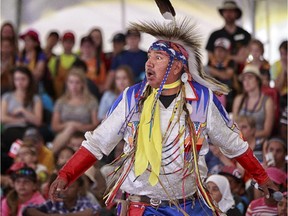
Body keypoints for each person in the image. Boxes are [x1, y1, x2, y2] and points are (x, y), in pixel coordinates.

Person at [49, 17, 278, 216]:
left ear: (177, 66)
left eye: (158, 57)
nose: (149, 62)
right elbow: (98, 143)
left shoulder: (202, 100)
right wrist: (67, 173)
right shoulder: (132, 97)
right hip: (142, 208)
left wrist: (262, 177)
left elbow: (233, 144)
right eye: (149, 56)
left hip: (187, 207)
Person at [1, 67, 43, 173]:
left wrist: (22, 110)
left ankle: (31, 165)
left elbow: (38, 120)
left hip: (29, 129)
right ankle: (14, 165)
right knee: (12, 135)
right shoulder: (7, 97)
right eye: (17, 79)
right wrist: (23, 120)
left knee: (32, 134)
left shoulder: (35, 98)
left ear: (29, 80)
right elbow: (2, 118)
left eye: (23, 79)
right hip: (12, 129)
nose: (19, 82)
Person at [51, 68, 99, 153]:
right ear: (67, 84)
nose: (74, 86)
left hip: (84, 134)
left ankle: (51, 154)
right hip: (65, 135)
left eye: (77, 82)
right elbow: (54, 126)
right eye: (71, 82)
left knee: (73, 133)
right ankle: (53, 155)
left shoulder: (91, 101)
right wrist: (70, 125)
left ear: (82, 84)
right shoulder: (61, 102)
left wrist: (77, 126)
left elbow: (95, 125)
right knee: (69, 130)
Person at [232, 64, 274, 161]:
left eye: (250, 78)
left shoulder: (267, 101)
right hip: (240, 141)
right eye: (244, 79)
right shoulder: (239, 99)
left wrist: (249, 136)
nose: (246, 82)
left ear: (258, 80)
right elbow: (234, 126)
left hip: (259, 143)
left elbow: (267, 131)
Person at [206, 0, 251, 74]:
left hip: (239, 78)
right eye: (226, 11)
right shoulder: (214, 35)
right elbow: (210, 57)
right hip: (215, 76)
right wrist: (233, 57)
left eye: (231, 11)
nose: (228, 14)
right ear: (222, 13)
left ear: (236, 13)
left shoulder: (245, 35)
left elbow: (243, 58)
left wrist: (226, 57)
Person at [24, 176, 101, 216]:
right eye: (63, 187)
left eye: (71, 187)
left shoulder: (83, 202)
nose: (65, 190)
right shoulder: (55, 202)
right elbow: (28, 210)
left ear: (79, 188)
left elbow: (94, 210)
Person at [48, 31, 78, 98]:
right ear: (62, 43)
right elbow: (51, 77)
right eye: (66, 42)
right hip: (57, 95)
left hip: (74, 96)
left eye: (70, 42)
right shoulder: (55, 60)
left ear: (73, 44)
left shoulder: (78, 59)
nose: (68, 44)